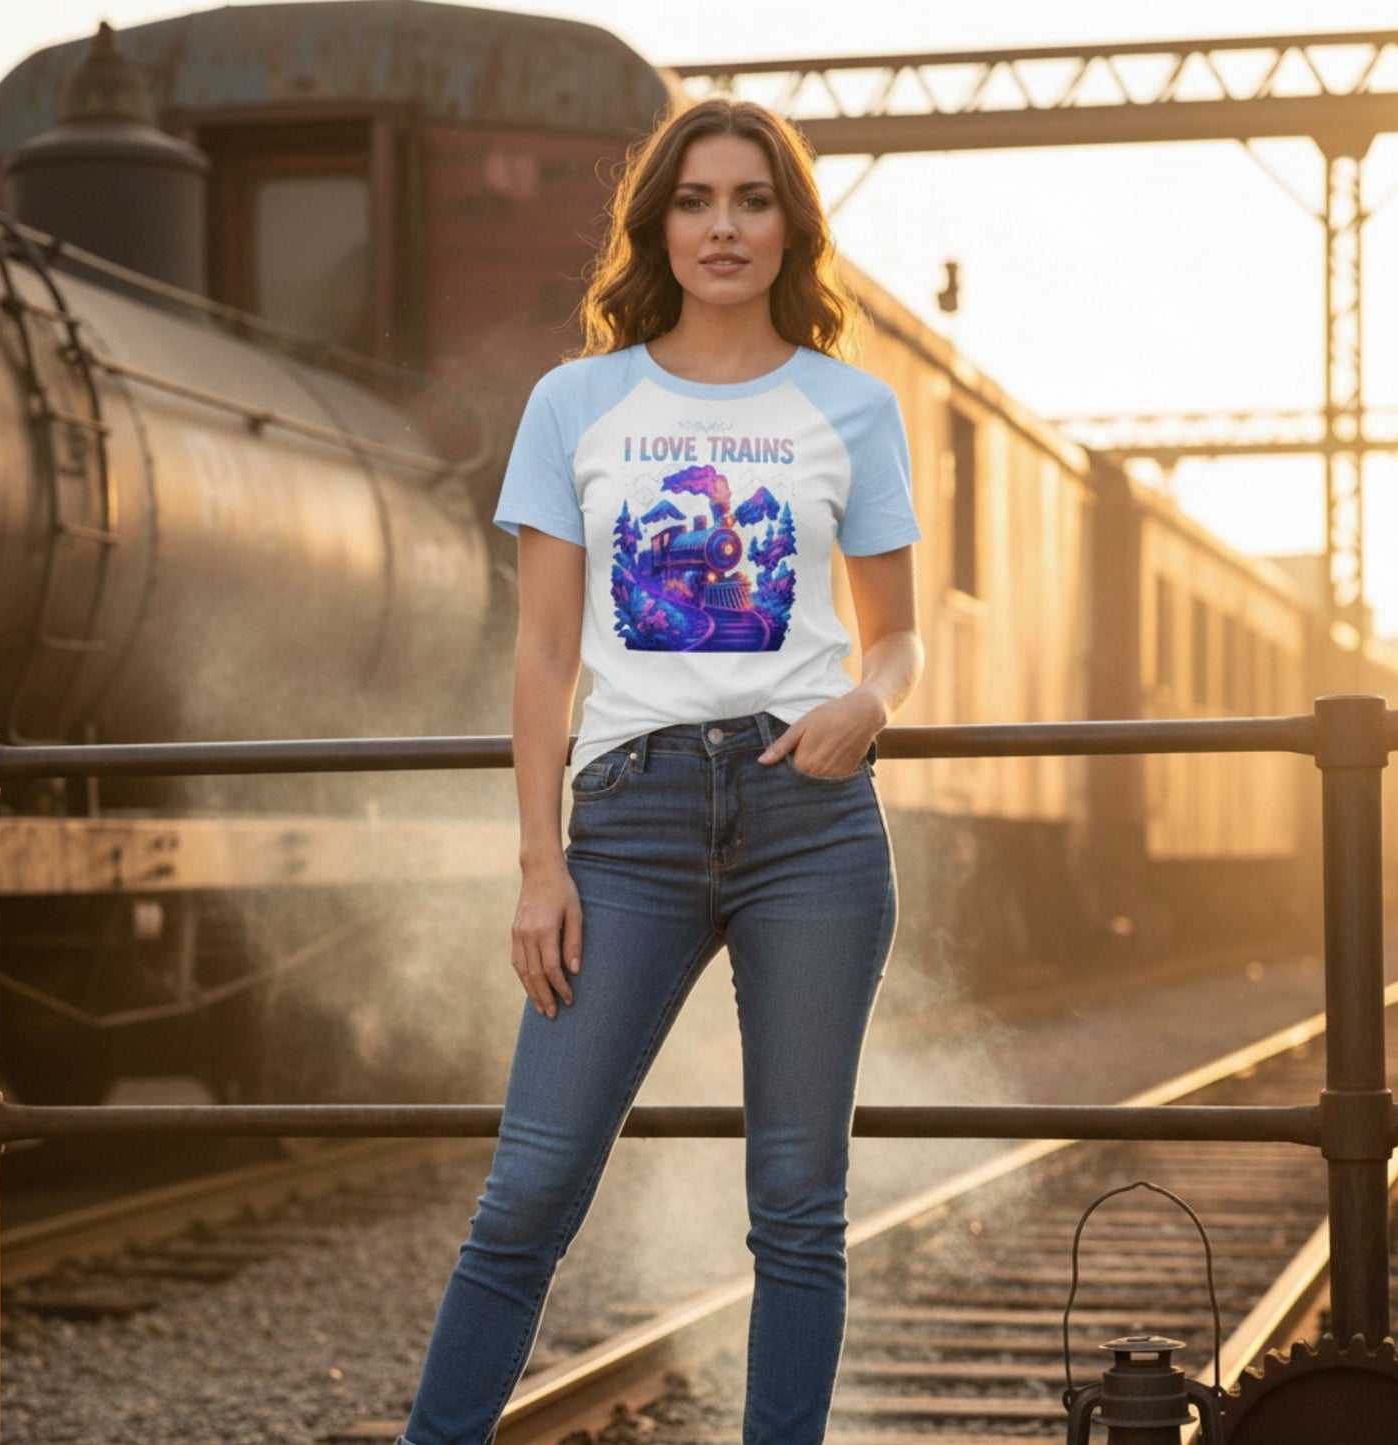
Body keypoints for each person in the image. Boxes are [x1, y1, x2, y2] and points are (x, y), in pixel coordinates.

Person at [399, 96, 923, 1445]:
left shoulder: (849, 408)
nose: (723, 226)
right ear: (659, 224)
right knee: (528, 1190)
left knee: (797, 1208)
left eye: (751, 200)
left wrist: (868, 700)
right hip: (626, 823)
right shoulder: (577, 400)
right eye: (695, 200)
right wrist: (536, 863)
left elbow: (903, 635)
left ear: (789, 227)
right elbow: (541, 654)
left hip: (808, 821)